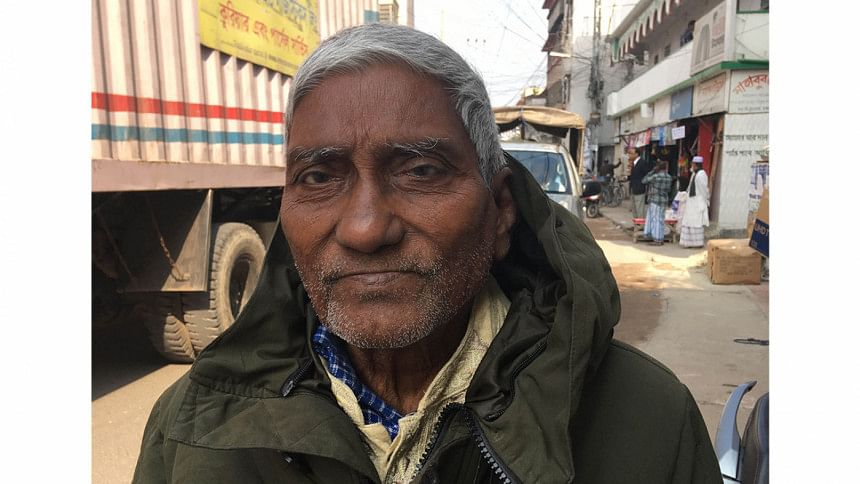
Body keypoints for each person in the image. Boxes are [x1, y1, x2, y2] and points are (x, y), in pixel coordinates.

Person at [133, 24, 721, 484]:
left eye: (420, 171)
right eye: (319, 177)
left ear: (499, 210)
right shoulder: (191, 434)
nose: (365, 229)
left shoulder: (646, 420)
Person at [680, 156, 710, 248]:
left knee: (696, 222)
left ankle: (697, 243)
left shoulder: (701, 174)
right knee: (689, 221)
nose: (691, 166)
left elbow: (704, 190)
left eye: (692, 164)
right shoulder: (694, 174)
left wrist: (706, 201)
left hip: (698, 201)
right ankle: (688, 242)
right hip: (691, 202)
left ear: (696, 165)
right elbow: (690, 186)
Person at [641, 160, 674, 246]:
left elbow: (644, 180)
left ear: (658, 168)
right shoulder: (669, 177)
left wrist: (652, 171)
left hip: (655, 200)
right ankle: (660, 238)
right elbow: (669, 190)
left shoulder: (655, 176)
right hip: (664, 200)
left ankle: (657, 239)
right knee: (660, 220)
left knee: (655, 220)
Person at [627, 146, 652, 219]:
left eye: (631, 153)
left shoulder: (642, 163)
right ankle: (636, 223)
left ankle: (640, 223)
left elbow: (647, 175)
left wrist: (642, 183)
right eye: (629, 153)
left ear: (636, 154)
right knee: (634, 208)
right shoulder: (633, 163)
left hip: (639, 189)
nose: (629, 155)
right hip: (632, 188)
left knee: (639, 208)